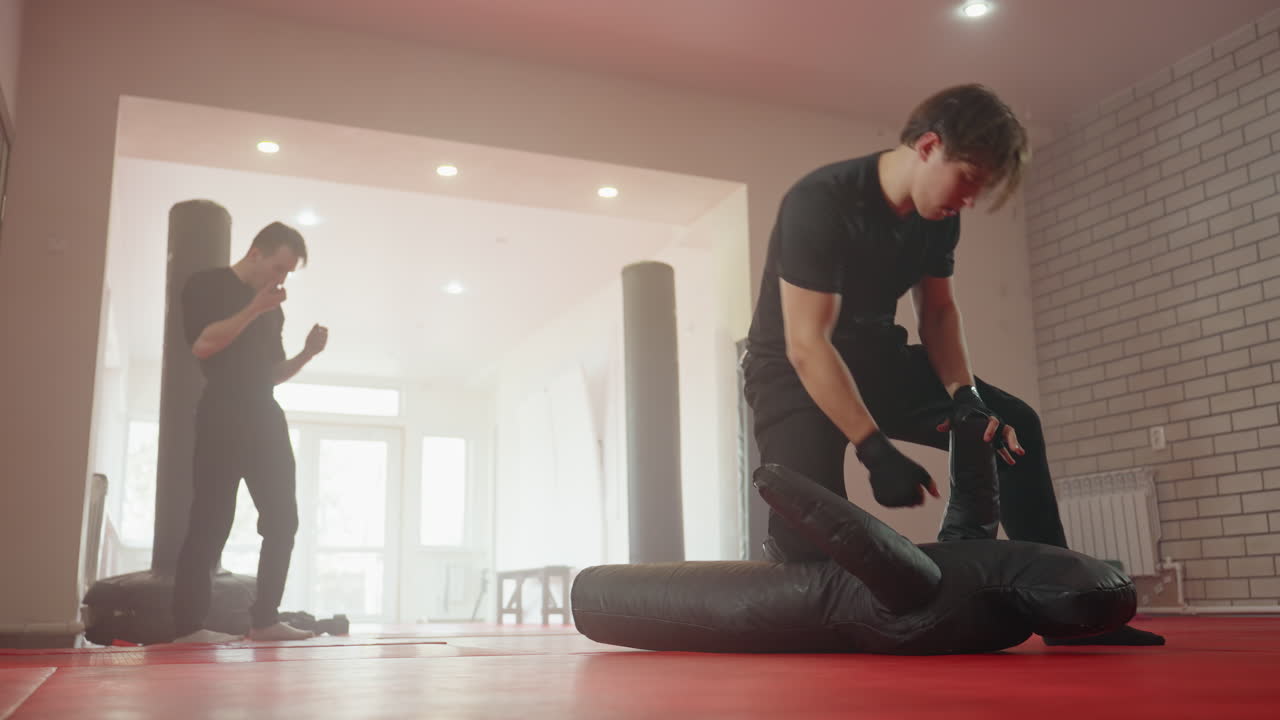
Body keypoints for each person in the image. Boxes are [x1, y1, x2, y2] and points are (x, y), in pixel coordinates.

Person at [741, 84, 1163, 646]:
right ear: (928, 146)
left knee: (1012, 426)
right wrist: (874, 449)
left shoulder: (937, 215)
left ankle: (1070, 613)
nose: (968, 199)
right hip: (791, 374)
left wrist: (965, 395)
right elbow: (806, 344)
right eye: (967, 178)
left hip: (879, 359)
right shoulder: (821, 201)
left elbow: (937, 313)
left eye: (980, 188)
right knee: (806, 538)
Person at [171, 222, 328, 643]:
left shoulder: (272, 310)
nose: (280, 279)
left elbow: (272, 374)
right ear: (255, 253)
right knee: (211, 520)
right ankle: (188, 627)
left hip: (264, 414)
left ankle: (264, 621)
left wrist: (306, 355)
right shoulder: (207, 285)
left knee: (283, 519)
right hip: (222, 411)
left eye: (288, 273)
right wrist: (254, 308)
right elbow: (203, 345)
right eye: (278, 267)